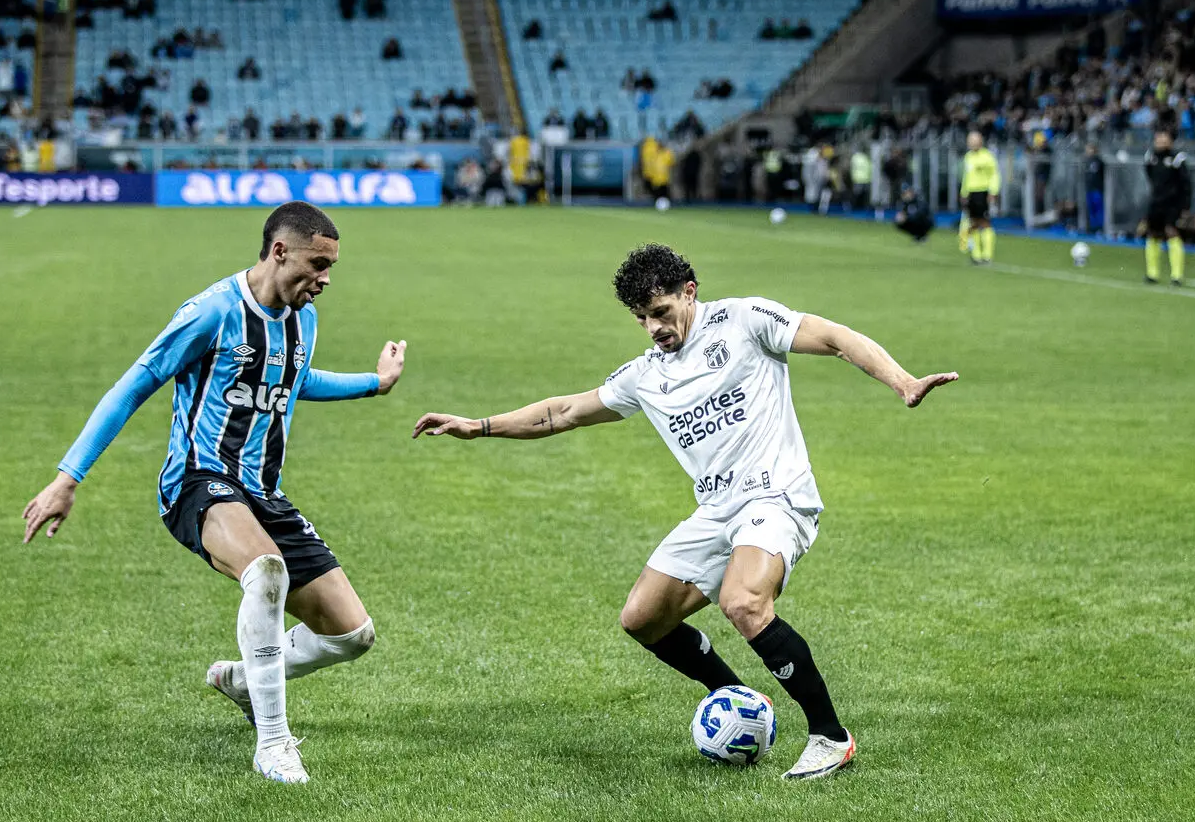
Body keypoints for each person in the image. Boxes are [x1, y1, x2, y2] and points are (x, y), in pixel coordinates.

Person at [412, 245, 957, 780]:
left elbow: (835, 338)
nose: (653, 327)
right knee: (644, 619)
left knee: (743, 603)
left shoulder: (745, 320)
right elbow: (563, 412)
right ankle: (733, 696)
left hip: (776, 496)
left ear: (689, 293)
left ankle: (829, 738)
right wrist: (478, 426)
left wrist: (902, 381)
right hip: (717, 509)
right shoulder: (646, 374)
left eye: (661, 312)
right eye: (642, 318)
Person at [21, 204, 409, 785]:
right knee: (267, 572)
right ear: (280, 252)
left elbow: (296, 380)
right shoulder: (212, 312)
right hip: (198, 482)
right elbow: (134, 385)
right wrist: (67, 478)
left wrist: (373, 384)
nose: (326, 278)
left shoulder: (303, 318)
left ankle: (239, 678)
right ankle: (273, 743)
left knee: (352, 635)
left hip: (263, 492)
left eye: (331, 267)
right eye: (318, 264)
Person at [1142, 129, 1190, 286]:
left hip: (1173, 204)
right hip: (1156, 202)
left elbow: (1186, 184)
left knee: (1172, 233)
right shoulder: (1151, 157)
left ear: (1170, 140)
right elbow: (1150, 175)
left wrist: (1185, 206)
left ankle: (1177, 275)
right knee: (1153, 234)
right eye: (1158, 137)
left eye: (1163, 137)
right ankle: (1152, 274)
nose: (1160, 140)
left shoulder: (1177, 159)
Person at [960, 130, 999, 265]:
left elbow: (994, 174)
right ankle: (976, 255)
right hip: (971, 193)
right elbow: (967, 177)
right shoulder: (968, 157)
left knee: (985, 222)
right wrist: (964, 193)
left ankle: (987, 255)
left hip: (983, 192)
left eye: (974, 140)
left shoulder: (987, 157)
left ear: (980, 141)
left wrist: (993, 192)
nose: (971, 143)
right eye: (970, 141)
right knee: (973, 224)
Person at [1083, 143, 1105, 234]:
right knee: (1091, 208)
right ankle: (1092, 227)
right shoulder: (1086, 161)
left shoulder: (1099, 161)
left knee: (1098, 209)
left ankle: (1100, 227)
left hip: (1097, 188)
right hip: (1089, 188)